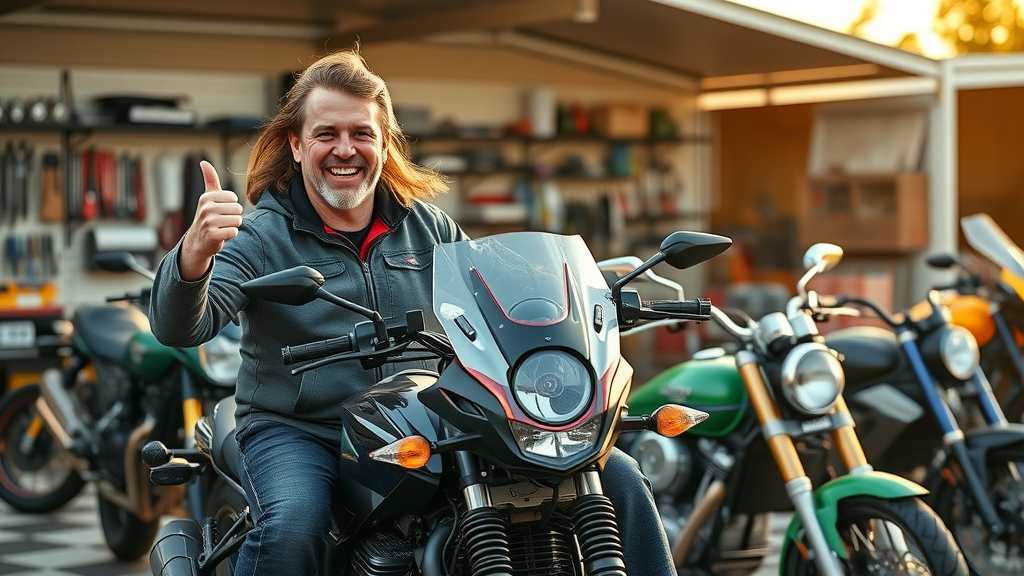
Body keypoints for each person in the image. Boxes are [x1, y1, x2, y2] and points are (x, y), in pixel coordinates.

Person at [148, 48, 678, 576]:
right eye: (326, 133)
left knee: (619, 477)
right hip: (304, 428)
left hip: (421, 414)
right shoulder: (261, 236)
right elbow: (180, 327)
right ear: (296, 143)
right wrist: (194, 254)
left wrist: (584, 298)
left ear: (384, 143)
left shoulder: (429, 227)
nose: (345, 149)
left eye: (361, 133)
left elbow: (503, 291)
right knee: (295, 522)